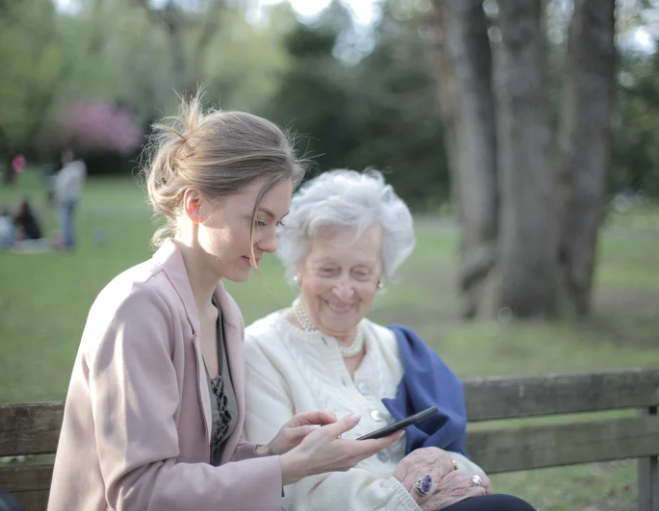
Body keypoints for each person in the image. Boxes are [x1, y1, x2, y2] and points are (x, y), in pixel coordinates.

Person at [48, 98, 400, 511]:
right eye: (258, 221)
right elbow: (139, 493)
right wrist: (285, 470)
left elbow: (203, 464)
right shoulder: (138, 307)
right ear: (196, 205)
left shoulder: (223, 311)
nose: (270, 243)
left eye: (277, 224)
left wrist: (272, 453)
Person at [243, 170, 537, 511]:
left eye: (361, 273)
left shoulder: (398, 348)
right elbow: (290, 488)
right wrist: (408, 497)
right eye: (327, 269)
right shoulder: (260, 350)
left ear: (381, 277)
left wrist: (445, 464)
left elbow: (461, 462)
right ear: (299, 267)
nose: (343, 289)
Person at [54, 148, 86, 249]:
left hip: (68, 200)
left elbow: (64, 185)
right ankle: (69, 240)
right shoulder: (70, 170)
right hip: (68, 199)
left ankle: (69, 241)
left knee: (66, 221)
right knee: (67, 221)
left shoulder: (73, 170)